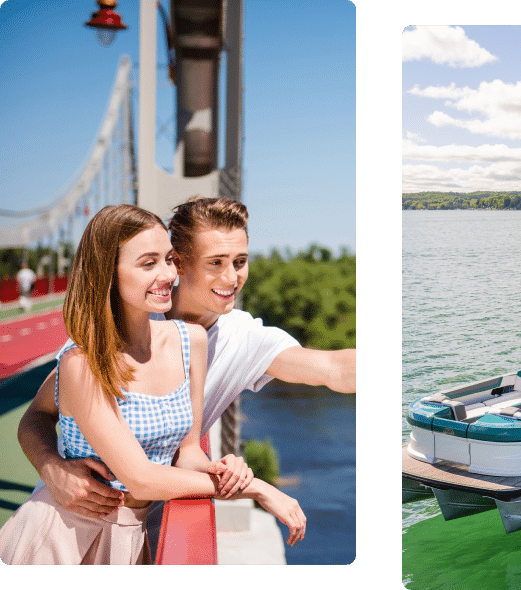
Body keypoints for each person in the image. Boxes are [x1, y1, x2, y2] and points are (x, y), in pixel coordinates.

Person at [16, 197, 353, 557]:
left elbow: (334, 368)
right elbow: (38, 415)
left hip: (144, 525)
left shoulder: (219, 339)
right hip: (72, 526)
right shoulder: (104, 338)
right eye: (215, 263)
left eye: (240, 262)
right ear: (181, 262)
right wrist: (51, 467)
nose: (231, 278)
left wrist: (222, 470)